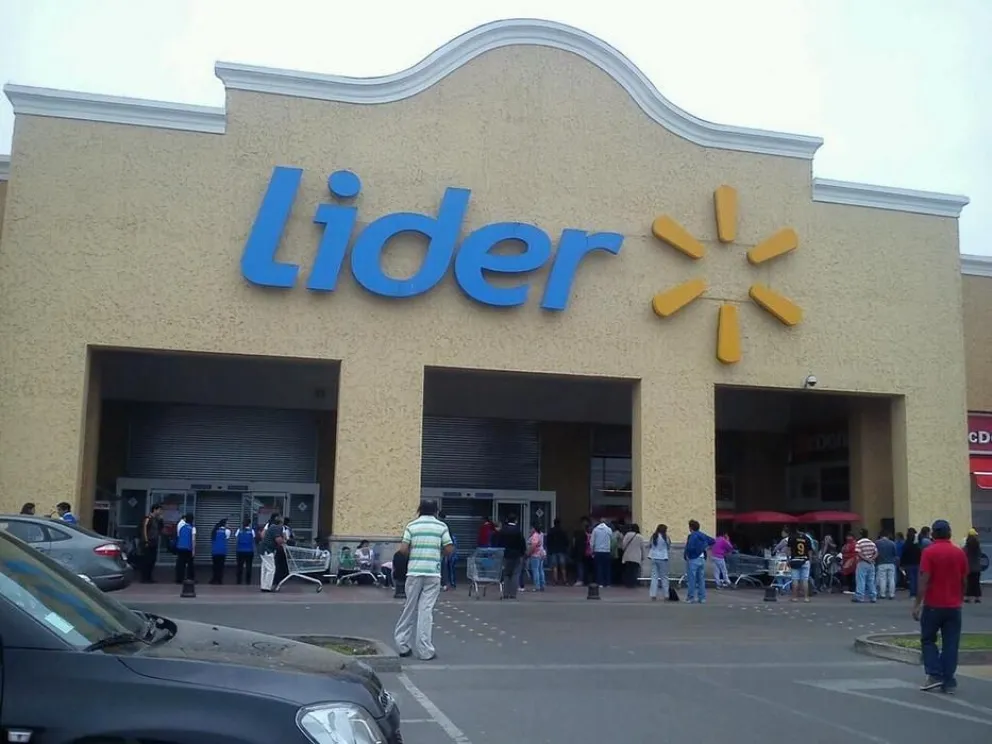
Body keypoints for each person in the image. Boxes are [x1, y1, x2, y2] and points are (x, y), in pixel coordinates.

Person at [393, 500, 454, 661]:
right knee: (425, 610)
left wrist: (414, 555)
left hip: (414, 571)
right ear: (436, 511)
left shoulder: (412, 526)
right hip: (433, 572)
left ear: (419, 509)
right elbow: (449, 548)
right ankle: (425, 650)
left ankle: (402, 645)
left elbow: (403, 549)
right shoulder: (441, 526)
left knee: (409, 607)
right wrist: (438, 554)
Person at [913, 519, 968, 693]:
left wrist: (917, 604)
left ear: (933, 534)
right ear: (949, 533)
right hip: (954, 606)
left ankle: (934, 674)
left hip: (933, 605)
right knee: (951, 643)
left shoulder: (929, 552)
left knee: (928, 639)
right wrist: (960, 597)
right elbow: (964, 579)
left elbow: (924, 579)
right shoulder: (959, 553)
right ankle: (949, 680)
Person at [684, 520, 715, 604]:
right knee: (701, 579)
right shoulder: (702, 535)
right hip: (702, 558)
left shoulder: (692, 536)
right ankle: (702, 598)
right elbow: (712, 540)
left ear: (691, 527)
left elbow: (690, 547)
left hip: (693, 559)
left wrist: (688, 555)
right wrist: (704, 546)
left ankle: (690, 598)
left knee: (692, 579)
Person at [495, 514, 526, 599]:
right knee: (515, 574)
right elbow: (522, 544)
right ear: (515, 520)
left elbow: (499, 543)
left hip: (506, 554)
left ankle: (505, 593)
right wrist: (522, 553)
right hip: (516, 555)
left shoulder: (503, 530)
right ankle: (513, 594)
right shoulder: (518, 531)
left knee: (506, 574)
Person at [259, 514, 288, 592]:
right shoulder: (277, 528)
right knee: (271, 569)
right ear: (281, 522)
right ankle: (267, 587)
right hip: (268, 550)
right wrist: (285, 541)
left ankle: (264, 586)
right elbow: (278, 540)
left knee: (265, 568)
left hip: (263, 549)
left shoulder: (272, 526)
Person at [138, 503, 163, 584]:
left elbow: (160, 530)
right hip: (148, 542)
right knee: (146, 560)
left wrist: (161, 520)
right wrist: (146, 541)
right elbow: (144, 530)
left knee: (152, 560)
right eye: (159, 510)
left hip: (154, 542)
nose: (160, 512)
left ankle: (149, 577)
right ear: (154, 510)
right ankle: (144, 578)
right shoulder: (148, 518)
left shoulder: (156, 520)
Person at [787, 527, 813, 603]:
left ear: (797, 530)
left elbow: (788, 550)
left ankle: (794, 597)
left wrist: (788, 559)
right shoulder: (807, 539)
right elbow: (810, 551)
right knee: (805, 580)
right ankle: (806, 598)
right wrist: (810, 561)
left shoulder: (792, 538)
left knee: (795, 579)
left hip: (795, 560)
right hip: (805, 560)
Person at [853, 528, 878, 603]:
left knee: (861, 580)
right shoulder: (872, 543)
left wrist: (866, 559)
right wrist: (871, 559)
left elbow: (858, 553)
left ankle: (860, 596)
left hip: (862, 563)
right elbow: (876, 553)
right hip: (871, 564)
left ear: (860, 534)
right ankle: (873, 596)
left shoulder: (859, 543)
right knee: (871, 580)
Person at [648, 524, 671, 601]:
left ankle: (653, 594)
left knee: (654, 577)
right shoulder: (666, 537)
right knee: (664, 577)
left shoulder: (654, 536)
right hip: (663, 557)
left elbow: (650, 545)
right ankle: (666, 595)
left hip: (654, 557)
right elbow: (668, 546)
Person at [874, 531, 898, 600]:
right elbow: (895, 554)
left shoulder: (877, 543)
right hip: (891, 563)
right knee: (891, 579)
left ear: (881, 536)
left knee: (882, 579)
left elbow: (875, 552)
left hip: (881, 563)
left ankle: (882, 594)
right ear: (888, 536)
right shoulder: (892, 543)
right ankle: (891, 594)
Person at [620, 524, 645, 589]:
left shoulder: (627, 535)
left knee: (628, 570)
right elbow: (642, 548)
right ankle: (633, 583)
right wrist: (643, 556)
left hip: (627, 556)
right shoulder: (640, 537)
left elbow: (623, 546)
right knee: (634, 571)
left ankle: (627, 583)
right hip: (636, 557)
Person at [546, 518, 569, 586]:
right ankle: (565, 580)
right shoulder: (563, 531)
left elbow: (548, 541)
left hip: (553, 550)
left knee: (555, 566)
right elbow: (566, 541)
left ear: (554, 523)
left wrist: (549, 550)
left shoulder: (551, 531)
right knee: (563, 567)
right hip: (562, 550)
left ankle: (555, 581)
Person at [590, 517, 613, 587]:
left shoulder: (595, 530)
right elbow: (612, 539)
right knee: (607, 568)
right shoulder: (609, 530)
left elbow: (592, 542)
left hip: (598, 551)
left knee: (599, 568)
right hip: (607, 551)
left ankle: (600, 583)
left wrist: (592, 551)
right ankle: (607, 583)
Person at [174, 513, 196, 584]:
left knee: (180, 564)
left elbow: (178, 536)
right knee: (190, 564)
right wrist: (193, 550)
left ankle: (179, 579)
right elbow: (193, 540)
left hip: (180, 547)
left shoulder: (181, 526)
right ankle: (190, 578)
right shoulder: (192, 528)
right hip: (188, 548)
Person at [209, 519, 231, 585]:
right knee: (221, 566)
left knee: (215, 566)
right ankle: (219, 580)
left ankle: (214, 579)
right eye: (227, 523)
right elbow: (227, 538)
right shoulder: (227, 531)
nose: (228, 524)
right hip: (222, 551)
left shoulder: (214, 530)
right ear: (224, 524)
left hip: (214, 550)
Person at [234, 518, 256, 585]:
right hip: (249, 551)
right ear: (249, 523)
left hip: (240, 551)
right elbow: (253, 540)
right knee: (249, 566)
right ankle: (248, 581)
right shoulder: (252, 531)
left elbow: (236, 540)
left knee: (239, 566)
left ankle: (239, 581)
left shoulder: (239, 530)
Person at [901, 528, 922, 598]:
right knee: (917, 578)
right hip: (917, 563)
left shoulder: (906, 545)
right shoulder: (917, 545)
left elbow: (903, 555)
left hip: (909, 563)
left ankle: (912, 593)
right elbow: (920, 554)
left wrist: (902, 564)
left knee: (911, 578)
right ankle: (917, 592)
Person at [964, 529, 983, 603]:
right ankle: (977, 598)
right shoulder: (977, 545)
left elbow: (963, 554)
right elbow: (980, 554)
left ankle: (967, 598)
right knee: (976, 583)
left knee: (968, 583)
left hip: (968, 567)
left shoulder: (967, 546)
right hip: (977, 567)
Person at [527, 524, 547, 592]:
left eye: (531, 528)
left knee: (535, 570)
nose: (530, 530)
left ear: (534, 528)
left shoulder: (535, 535)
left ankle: (537, 586)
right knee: (540, 570)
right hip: (541, 553)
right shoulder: (541, 534)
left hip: (535, 554)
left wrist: (528, 553)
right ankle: (542, 585)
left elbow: (533, 546)